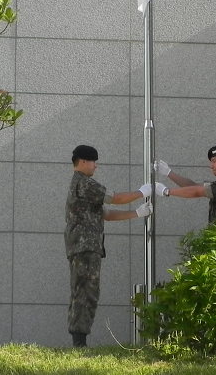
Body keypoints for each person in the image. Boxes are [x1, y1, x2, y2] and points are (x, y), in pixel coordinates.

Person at [65, 144, 153, 348]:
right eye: (93, 161)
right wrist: (142, 192)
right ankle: (79, 342)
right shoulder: (84, 183)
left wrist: (137, 213)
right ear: (83, 161)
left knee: (87, 290)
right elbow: (115, 199)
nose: (96, 166)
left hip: (85, 246)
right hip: (85, 246)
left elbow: (106, 215)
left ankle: (79, 340)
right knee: (85, 291)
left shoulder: (80, 185)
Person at [153, 141, 216, 224]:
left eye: (214, 161)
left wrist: (166, 191)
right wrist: (168, 172)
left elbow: (196, 191)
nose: (211, 166)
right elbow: (193, 186)